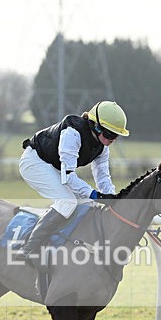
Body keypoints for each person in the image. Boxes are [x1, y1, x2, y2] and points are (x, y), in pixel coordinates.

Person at [14, 100, 129, 265]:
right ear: (95, 126)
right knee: (67, 201)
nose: (112, 139)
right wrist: (94, 194)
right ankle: (29, 247)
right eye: (110, 134)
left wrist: (113, 198)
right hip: (34, 161)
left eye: (116, 135)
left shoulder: (103, 147)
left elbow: (103, 177)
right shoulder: (72, 133)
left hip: (54, 166)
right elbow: (68, 176)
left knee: (88, 204)